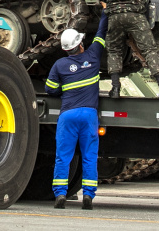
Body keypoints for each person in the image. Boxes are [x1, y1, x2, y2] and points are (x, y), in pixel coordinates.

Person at [46, 12, 108, 211]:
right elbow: (101, 33)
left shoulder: (59, 65)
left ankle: (61, 194)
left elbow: (50, 89)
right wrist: (105, 12)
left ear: (66, 50)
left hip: (68, 115)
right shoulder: (93, 56)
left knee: (63, 156)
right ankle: (88, 196)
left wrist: (64, 88)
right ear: (81, 44)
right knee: (89, 156)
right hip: (89, 115)